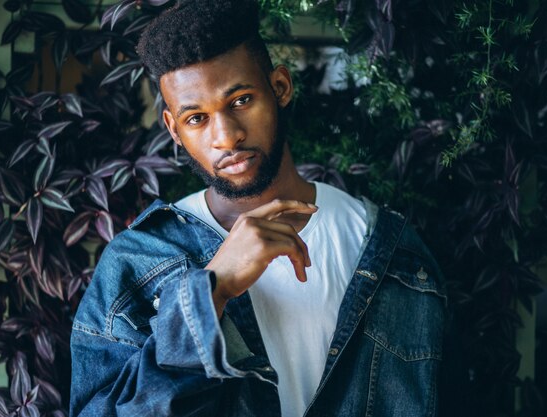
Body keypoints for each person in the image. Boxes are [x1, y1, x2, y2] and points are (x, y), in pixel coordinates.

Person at [69, 0, 447, 416]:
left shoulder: (390, 251)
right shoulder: (137, 263)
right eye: (196, 119)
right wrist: (211, 293)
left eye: (241, 100)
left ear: (280, 87)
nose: (226, 137)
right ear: (174, 129)